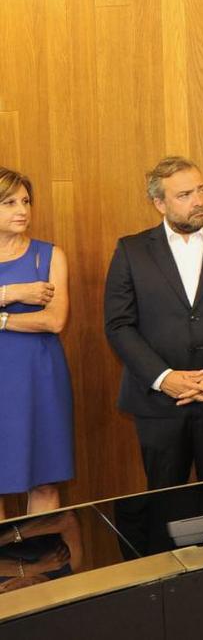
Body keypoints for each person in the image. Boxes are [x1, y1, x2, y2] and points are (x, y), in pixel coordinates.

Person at [104, 157, 203, 490]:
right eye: (185, 195)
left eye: (202, 190)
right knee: (164, 501)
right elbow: (119, 325)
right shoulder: (131, 251)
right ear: (159, 203)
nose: (199, 201)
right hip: (158, 403)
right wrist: (164, 378)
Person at [0, 168, 73, 518]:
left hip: (38, 376)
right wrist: (13, 293)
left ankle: (43, 569)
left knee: (45, 478)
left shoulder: (49, 255)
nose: (22, 210)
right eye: (10, 202)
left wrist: (2, 319)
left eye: (26, 201)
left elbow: (54, 320)